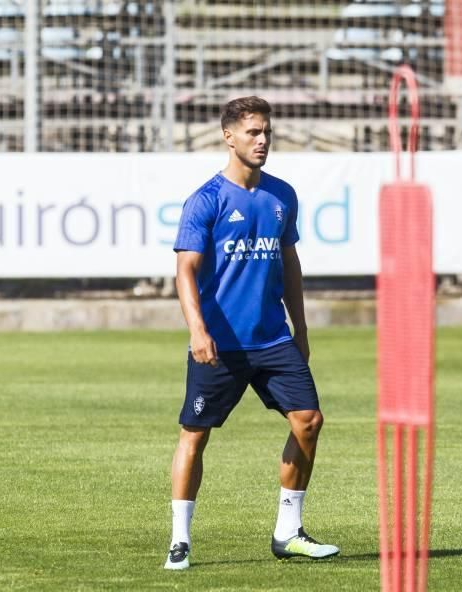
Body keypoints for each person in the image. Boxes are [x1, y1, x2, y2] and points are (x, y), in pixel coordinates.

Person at [164, 96, 340, 570]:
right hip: (219, 344)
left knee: (309, 420)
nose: (262, 141)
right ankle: (179, 540)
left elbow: (290, 265)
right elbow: (185, 272)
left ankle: (288, 532)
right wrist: (198, 331)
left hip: (272, 339)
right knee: (195, 436)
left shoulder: (282, 195)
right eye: (252, 133)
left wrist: (300, 329)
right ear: (228, 136)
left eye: (266, 132)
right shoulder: (206, 200)